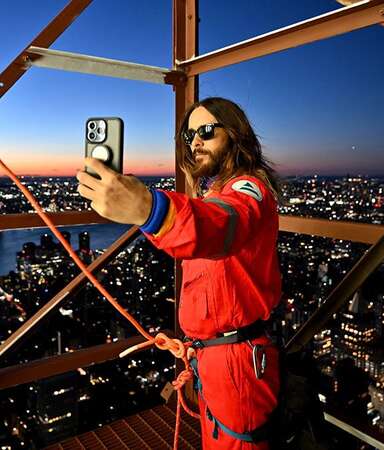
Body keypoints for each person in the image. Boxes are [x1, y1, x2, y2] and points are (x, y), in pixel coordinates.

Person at [76, 97, 282, 449]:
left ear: (235, 135)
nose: (195, 142)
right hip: (217, 357)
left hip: (237, 364)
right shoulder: (216, 194)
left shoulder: (249, 189)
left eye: (206, 131)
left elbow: (222, 224)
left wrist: (150, 210)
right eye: (189, 135)